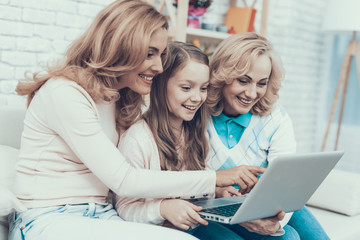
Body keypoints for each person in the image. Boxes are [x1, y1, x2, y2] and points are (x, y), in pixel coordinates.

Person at [8, 1, 264, 239]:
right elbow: (125, 180)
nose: (159, 67)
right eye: (149, 54)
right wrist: (215, 178)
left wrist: (214, 193)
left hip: (100, 214)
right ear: (119, 48)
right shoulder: (64, 93)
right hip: (47, 216)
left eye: (161, 55)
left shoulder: (117, 97)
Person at [115, 41, 265, 240]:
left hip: (197, 221)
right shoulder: (138, 138)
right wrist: (162, 208)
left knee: (284, 235)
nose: (197, 98)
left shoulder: (194, 132)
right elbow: (125, 208)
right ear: (160, 86)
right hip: (163, 230)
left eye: (203, 89)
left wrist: (217, 193)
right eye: (186, 88)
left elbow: (192, 189)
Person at [206, 32, 329, 239]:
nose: (252, 93)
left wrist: (275, 221)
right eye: (243, 81)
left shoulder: (276, 119)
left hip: (269, 204)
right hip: (217, 206)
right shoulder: (196, 114)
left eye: (261, 83)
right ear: (222, 76)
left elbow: (287, 185)